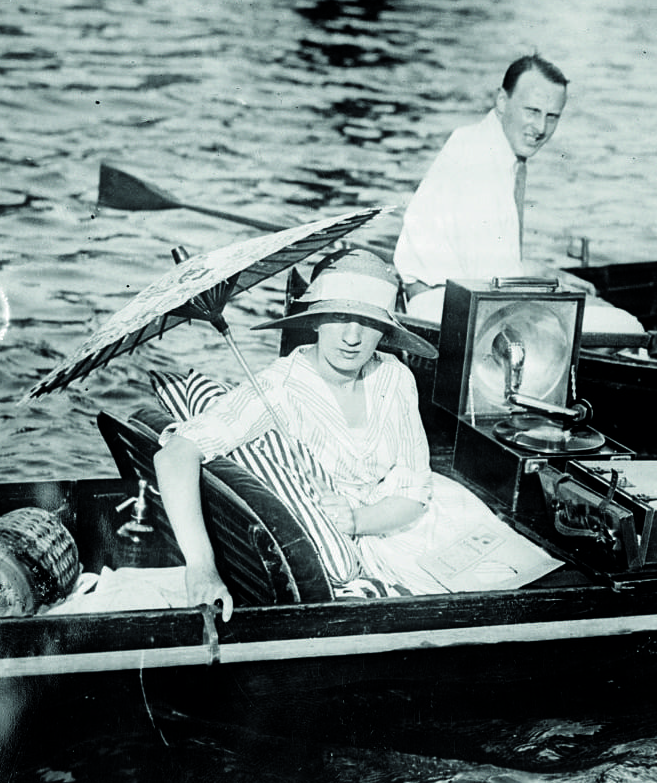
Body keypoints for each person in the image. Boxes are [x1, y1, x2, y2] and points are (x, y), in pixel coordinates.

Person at [154, 252, 557, 619]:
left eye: (368, 322)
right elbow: (174, 455)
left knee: (534, 594)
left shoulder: (395, 376)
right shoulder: (278, 388)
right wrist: (202, 568)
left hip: (427, 521)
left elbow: (414, 492)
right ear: (313, 318)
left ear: (385, 330)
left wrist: (358, 519)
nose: (352, 337)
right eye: (339, 317)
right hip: (365, 552)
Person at [392, 53, 643, 335]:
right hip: (451, 313)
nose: (541, 128)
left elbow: (491, 263)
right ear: (502, 101)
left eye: (552, 117)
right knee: (627, 328)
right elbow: (493, 282)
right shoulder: (481, 162)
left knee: (598, 310)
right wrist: (559, 292)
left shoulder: (482, 144)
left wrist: (551, 274)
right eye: (532, 111)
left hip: (463, 299)